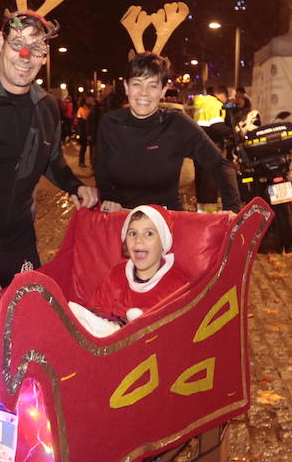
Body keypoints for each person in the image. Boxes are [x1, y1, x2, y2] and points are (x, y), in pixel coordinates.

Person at [0, 10, 99, 315]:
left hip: (21, 243)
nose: (25, 55)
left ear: (45, 57)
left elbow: (51, 160)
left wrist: (74, 185)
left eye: (36, 48)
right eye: (17, 43)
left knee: (25, 337)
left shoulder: (47, 107)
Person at [95, 53, 239, 213]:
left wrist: (232, 209)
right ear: (126, 87)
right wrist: (110, 199)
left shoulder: (176, 124)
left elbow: (221, 165)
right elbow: (102, 174)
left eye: (153, 85)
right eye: (137, 84)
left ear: (163, 90)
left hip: (167, 221)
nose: (144, 92)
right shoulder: (110, 123)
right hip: (122, 218)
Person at [68, 206, 191, 337]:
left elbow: (181, 335)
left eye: (149, 233)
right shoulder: (116, 275)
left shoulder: (178, 287)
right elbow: (94, 314)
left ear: (163, 243)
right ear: (125, 242)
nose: (138, 240)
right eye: (132, 233)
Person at [191, 84, 234, 212]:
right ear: (222, 95)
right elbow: (217, 127)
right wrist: (233, 132)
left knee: (202, 183)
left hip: (197, 148)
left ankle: (202, 213)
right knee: (210, 183)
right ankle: (210, 215)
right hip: (210, 148)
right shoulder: (215, 104)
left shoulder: (202, 104)